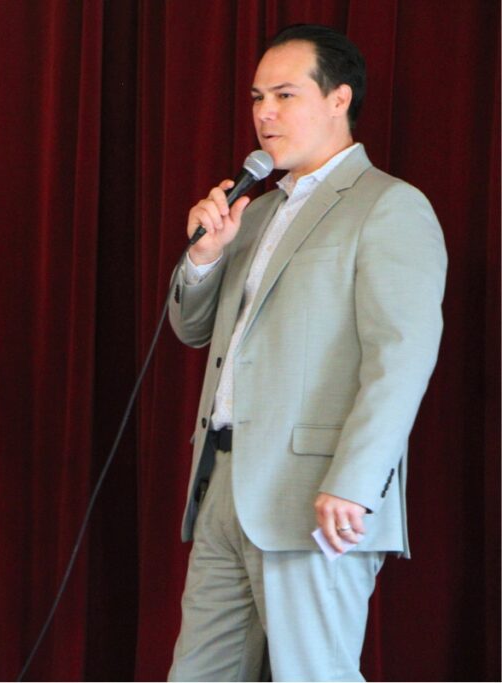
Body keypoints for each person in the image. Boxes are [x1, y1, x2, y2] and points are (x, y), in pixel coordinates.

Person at [166, 24, 446, 681]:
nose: (265, 113)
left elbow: (401, 356)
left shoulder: (389, 206)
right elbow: (191, 330)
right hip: (224, 485)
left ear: (338, 99)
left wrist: (354, 479)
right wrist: (204, 259)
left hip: (315, 496)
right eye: (258, 97)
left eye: (285, 95)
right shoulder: (254, 214)